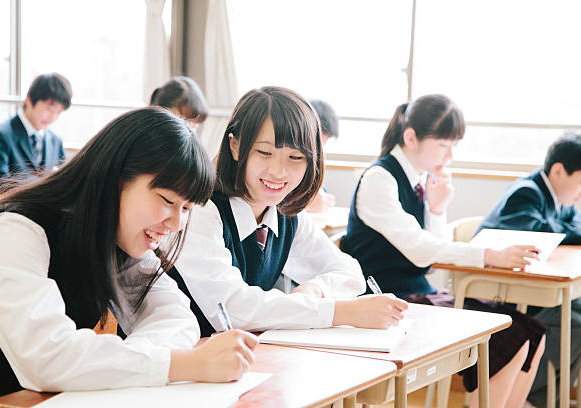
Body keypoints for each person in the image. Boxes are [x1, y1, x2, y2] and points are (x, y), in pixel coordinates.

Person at [0, 108, 257, 407]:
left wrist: (125, 365)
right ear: (115, 179)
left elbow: (177, 316)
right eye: (168, 200)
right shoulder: (13, 233)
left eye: (186, 209)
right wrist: (184, 364)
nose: (175, 224)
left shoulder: (120, 241)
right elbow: (49, 358)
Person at [341, 94, 546, 408]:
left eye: (454, 146)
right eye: (443, 145)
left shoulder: (419, 180)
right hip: (384, 298)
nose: (450, 155)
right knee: (509, 335)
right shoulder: (379, 179)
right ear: (411, 137)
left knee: (530, 332)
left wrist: (436, 210)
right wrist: (490, 256)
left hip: (416, 293)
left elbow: (430, 263)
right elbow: (423, 251)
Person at [167, 86, 408, 337]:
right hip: (183, 360)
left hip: (245, 359)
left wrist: (314, 290)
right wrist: (343, 312)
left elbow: (349, 272)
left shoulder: (284, 215)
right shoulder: (200, 210)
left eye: (295, 157)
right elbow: (234, 308)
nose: (278, 171)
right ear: (235, 146)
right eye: (265, 152)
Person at [478, 130, 581, 407]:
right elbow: (538, 234)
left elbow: (571, 229)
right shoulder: (527, 192)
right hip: (502, 293)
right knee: (574, 323)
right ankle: (527, 397)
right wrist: (561, 231)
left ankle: (544, 398)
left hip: (534, 288)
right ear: (559, 171)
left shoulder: (561, 200)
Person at [0, 73, 72, 192]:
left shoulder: (55, 141)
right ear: (29, 100)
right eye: (49, 109)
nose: (53, 117)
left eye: (59, 112)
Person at [305, 99, 337, 213]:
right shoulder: (293, 161)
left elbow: (320, 191)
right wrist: (306, 207)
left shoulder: (316, 162)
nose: (319, 149)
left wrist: (324, 200)